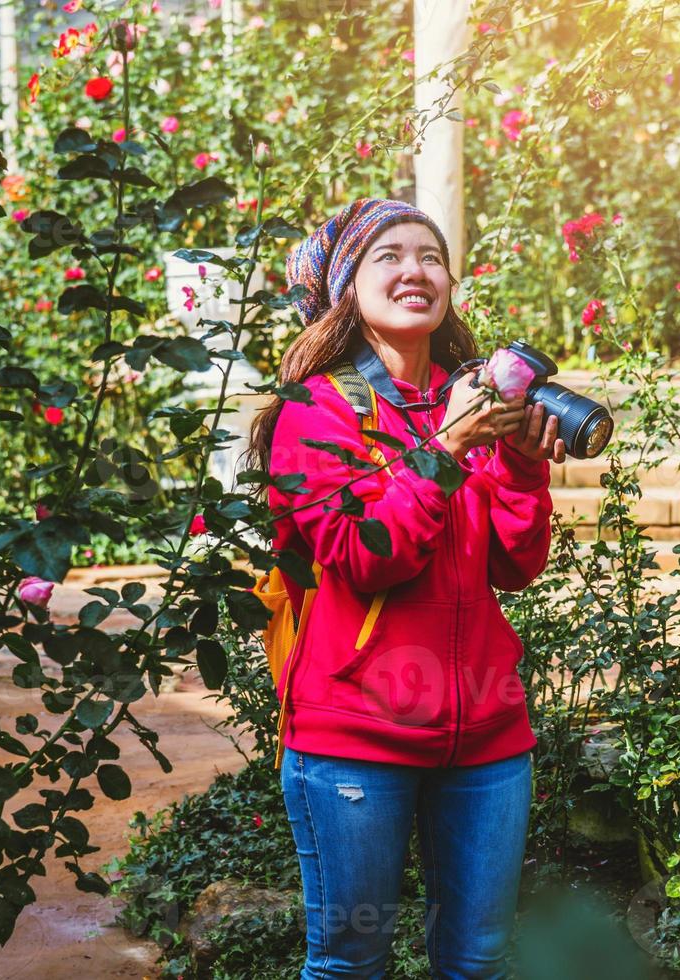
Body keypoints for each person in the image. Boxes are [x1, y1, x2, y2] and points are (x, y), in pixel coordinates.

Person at [243, 197, 566, 979]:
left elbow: (515, 566)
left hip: (486, 740)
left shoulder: (470, 400)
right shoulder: (313, 411)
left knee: (478, 962)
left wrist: (521, 459)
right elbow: (363, 556)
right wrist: (449, 446)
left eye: (430, 255)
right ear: (348, 287)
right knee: (352, 964)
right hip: (355, 742)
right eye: (389, 256)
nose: (416, 270)